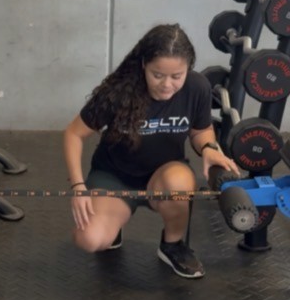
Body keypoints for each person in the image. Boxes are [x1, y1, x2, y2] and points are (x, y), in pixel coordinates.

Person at [62, 24, 241, 279]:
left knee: (179, 183)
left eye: (176, 76)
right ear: (143, 64)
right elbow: (73, 134)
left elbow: (200, 131)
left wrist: (209, 148)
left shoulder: (198, 87)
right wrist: (78, 187)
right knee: (90, 239)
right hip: (115, 177)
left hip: (164, 176)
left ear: (188, 69)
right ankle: (114, 221)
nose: (167, 85)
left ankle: (173, 245)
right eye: (158, 75)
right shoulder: (118, 91)